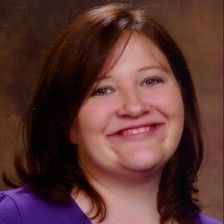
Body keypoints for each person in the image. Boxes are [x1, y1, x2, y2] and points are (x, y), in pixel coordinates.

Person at [0, 3, 222, 224]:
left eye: (151, 80)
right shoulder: (15, 217)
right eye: (103, 90)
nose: (134, 108)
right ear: (68, 123)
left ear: (181, 95)